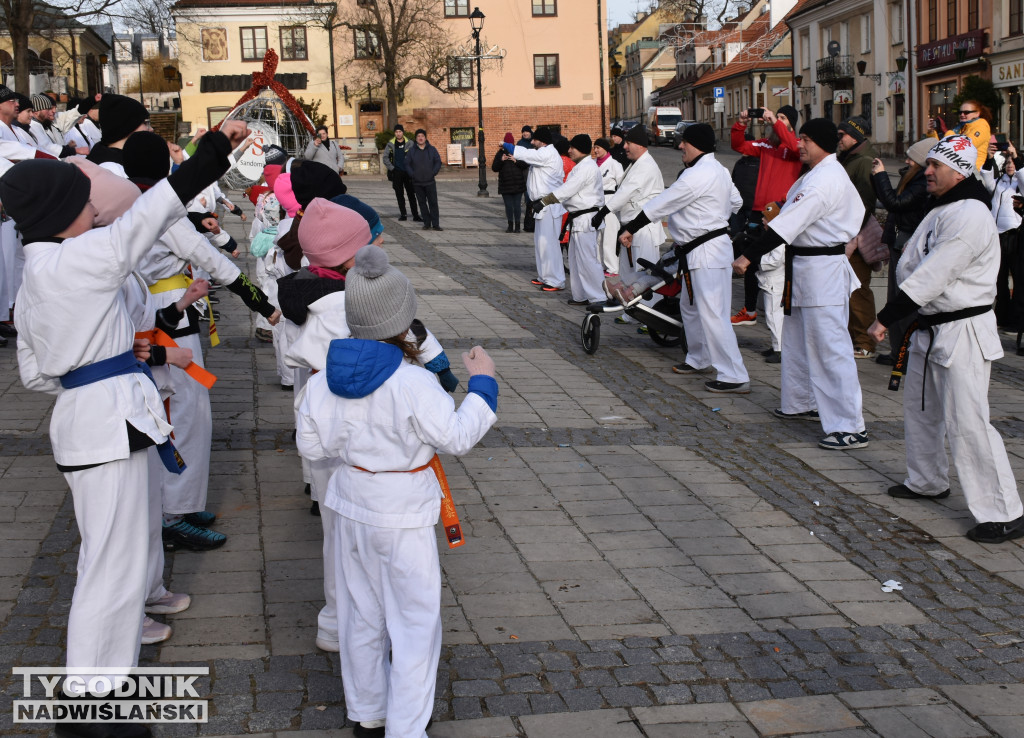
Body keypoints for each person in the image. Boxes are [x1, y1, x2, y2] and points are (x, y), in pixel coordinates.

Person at [2, 119, 251, 738]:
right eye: (81, 199)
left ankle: (106, 684)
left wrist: (104, 357)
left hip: (101, 417)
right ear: (63, 210)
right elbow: (153, 211)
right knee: (111, 566)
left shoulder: (42, 273)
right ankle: (89, 700)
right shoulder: (76, 260)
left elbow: (35, 374)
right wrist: (215, 146)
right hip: (106, 424)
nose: (93, 205)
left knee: (121, 556)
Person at [295, 244, 497, 738]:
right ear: (403, 320)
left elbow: (311, 446)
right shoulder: (412, 382)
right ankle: (406, 728)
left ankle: (369, 712)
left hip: (351, 502)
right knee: (414, 622)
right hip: (403, 512)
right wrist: (484, 385)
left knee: (362, 616)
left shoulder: (321, 383)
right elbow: (454, 437)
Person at [867, 135, 1024, 544]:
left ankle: (1003, 510)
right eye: (928, 164)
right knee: (922, 408)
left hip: (963, 330)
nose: (927, 172)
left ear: (959, 171)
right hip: (929, 325)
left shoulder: (969, 214)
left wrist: (886, 317)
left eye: (936, 166)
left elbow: (936, 272)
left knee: (968, 421)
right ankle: (926, 479)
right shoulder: (945, 208)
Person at [734, 118, 867, 450]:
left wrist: (747, 257)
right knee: (795, 341)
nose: (800, 144)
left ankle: (850, 425)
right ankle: (800, 401)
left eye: (805, 139)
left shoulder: (826, 180)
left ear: (822, 143)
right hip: (804, 267)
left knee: (830, 349)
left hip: (822, 270)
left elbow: (785, 226)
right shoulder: (814, 176)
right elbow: (785, 211)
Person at [620, 123, 749, 393]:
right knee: (690, 308)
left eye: (684, 143)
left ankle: (734, 374)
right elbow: (736, 203)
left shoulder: (698, 175)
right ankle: (699, 357)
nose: (680, 147)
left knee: (713, 313)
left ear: (696, 145)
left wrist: (631, 227)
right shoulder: (718, 171)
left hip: (707, 252)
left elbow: (661, 203)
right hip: (695, 251)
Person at [729, 105, 801, 327]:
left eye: (782, 118)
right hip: (759, 210)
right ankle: (749, 310)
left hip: (780, 212)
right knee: (750, 259)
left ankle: (781, 315)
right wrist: (741, 123)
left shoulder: (796, 145)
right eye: (776, 116)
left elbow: (792, 146)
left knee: (777, 266)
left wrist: (775, 123)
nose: (775, 120)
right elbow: (738, 145)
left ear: (790, 123)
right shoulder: (766, 145)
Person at [870, 138, 932, 366]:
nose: (906, 161)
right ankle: (899, 351)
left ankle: (904, 354)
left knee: (903, 301)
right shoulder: (912, 175)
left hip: (906, 241)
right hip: (899, 241)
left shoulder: (921, 182)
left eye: (911, 158)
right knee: (894, 298)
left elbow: (894, 203)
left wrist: (881, 176)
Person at [592, 125, 665, 318]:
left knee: (646, 275)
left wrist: (604, 211)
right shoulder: (636, 163)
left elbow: (625, 193)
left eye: (628, 143)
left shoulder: (646, 166)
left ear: (639, 145)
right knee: (629, 274)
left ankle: (652, 314)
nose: (624, 146)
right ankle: (631, 312)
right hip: (631, 228)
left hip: (644, 229)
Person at [532, 133, 605, 305]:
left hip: (586, 219)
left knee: (587, 259)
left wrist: (544, 201)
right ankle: (581, 295)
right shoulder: (580, 166)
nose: (569, 150)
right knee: (575, 260)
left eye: (573, 147)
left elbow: (566, 190)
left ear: (580, 149)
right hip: (578, 219)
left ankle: (599, 296)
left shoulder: (587, 168)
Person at [836, 116, 881, 359]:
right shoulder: (850, 158)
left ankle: (865, 342)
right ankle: (856, 338)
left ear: (855, 135)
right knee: (848, 290)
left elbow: (864, 203)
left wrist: (852, 238)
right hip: (847, 234)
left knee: (858, 291)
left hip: (855, 238)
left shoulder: (863, 161)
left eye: (842, 134)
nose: (839, 139)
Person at [506, 127, 566, 291]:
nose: (532, 142)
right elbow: (529, 159)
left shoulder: (547, 153)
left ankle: (556, 280)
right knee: (541, 244)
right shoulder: (543, 153)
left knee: (550, 244)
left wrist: (508, 146)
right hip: (540, 205)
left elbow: (527, 155)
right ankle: (545, 276)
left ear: (543, 140)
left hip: (549, 205)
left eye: (535, 139)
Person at [979, 142, 1024, 328]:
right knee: (999, 278)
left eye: (1013, 162)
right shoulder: (1000, 182)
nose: (1010, 165)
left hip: (1015, 236)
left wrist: (1017, 157)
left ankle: (1017, 319)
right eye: (1007, 162)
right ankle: (1002, 316)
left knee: (1019, 279)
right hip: (997, 237)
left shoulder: (1020, 184)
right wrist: (989, 158)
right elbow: (986, 177)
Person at [87, 94, 152, 176]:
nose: (150, 129)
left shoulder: (105, 156)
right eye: (145, 123)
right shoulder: (113, 169)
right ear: (127, 127)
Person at [928, 100, 991, 168]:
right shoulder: (962, 127)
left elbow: (964, 146)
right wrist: (932, 132)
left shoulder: (981, 126)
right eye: (960, 112)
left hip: (973, 171)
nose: (962, 115)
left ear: (977, 114)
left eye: (966, 112)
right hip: (959, 169)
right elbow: (940, 147)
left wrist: (946, 131)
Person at [594, 136, 624, 275]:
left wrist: (618, 203)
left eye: (598, 147)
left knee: (609, 235)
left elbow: (622, 185)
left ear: (605, 149)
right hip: (595, 201)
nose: (595, 150)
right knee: (598, 236)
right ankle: (599, 264)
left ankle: (612, 267)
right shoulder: (592, 163)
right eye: (594, 147)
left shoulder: (614, 164)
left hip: (610, 200)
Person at [405, 128, 442, 231]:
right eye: (418, 136)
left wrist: (433, 172)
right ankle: (427, 223)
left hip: (430, 181)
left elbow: (438, 162)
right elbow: (407, 164)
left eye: (422, 136)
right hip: (417, 182)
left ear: (425, 138)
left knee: (433, 203)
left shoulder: (432, 149)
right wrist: (413, 174)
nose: (420, 138)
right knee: (422, 203)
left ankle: (435, 224)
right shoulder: (412, 151)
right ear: (416, 139)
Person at [382, 125, 420, 222]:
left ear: (403, 132)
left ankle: (416, 215)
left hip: (408, 172)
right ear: (394, 133)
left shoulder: (410, 143)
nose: (398, 133)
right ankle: (403, 214)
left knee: (411, 194)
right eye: (396, 132)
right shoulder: (391, 144)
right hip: (397, 172)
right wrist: (392, 168)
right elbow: (385, 158)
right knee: (399, 194)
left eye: (400, 131)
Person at [492, 132, 528, 233]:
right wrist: (501, 160)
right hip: (505, 184)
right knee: (508, 206)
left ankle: (517, 226)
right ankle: (510, 225)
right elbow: (494, 168)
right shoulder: (500, 153)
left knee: (517, 205)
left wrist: (516, 160)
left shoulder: (517, 152)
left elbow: (525, 165)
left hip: (518, 184)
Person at [518, 126, 535, 232]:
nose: (525, 133)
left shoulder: (534, 143)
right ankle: (529, 211)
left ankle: (531, 211)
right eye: (523, 132)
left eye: (527, 132)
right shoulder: (520, 143)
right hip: (524, 170)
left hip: (533, 168)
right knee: (527, 191)